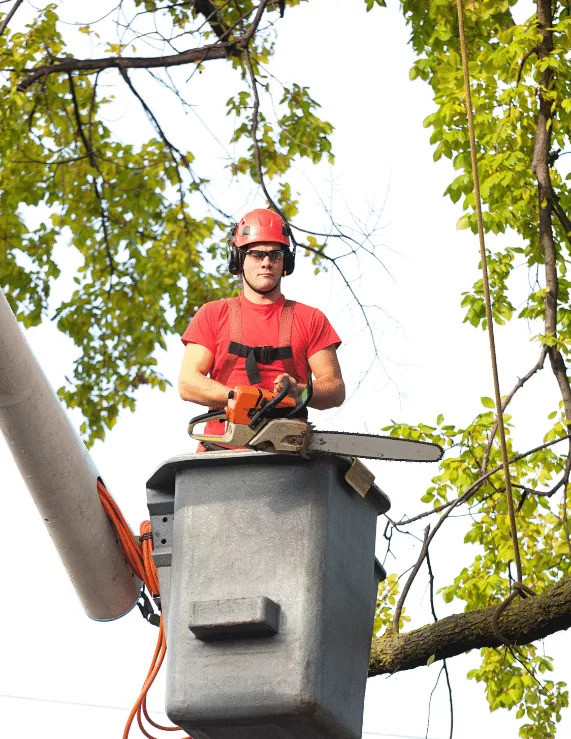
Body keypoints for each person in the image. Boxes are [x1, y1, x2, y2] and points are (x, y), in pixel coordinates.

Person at [178, 208, 345, 439]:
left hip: (287, 449)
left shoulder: (311, 318)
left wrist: (299, 391)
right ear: (239, 259)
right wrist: (237, 397)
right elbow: (187, 383)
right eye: (257, 254)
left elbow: (335, 389)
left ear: (286, 261)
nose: (266, 263)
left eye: (275, 255)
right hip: (221, 449)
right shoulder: (212, 314)